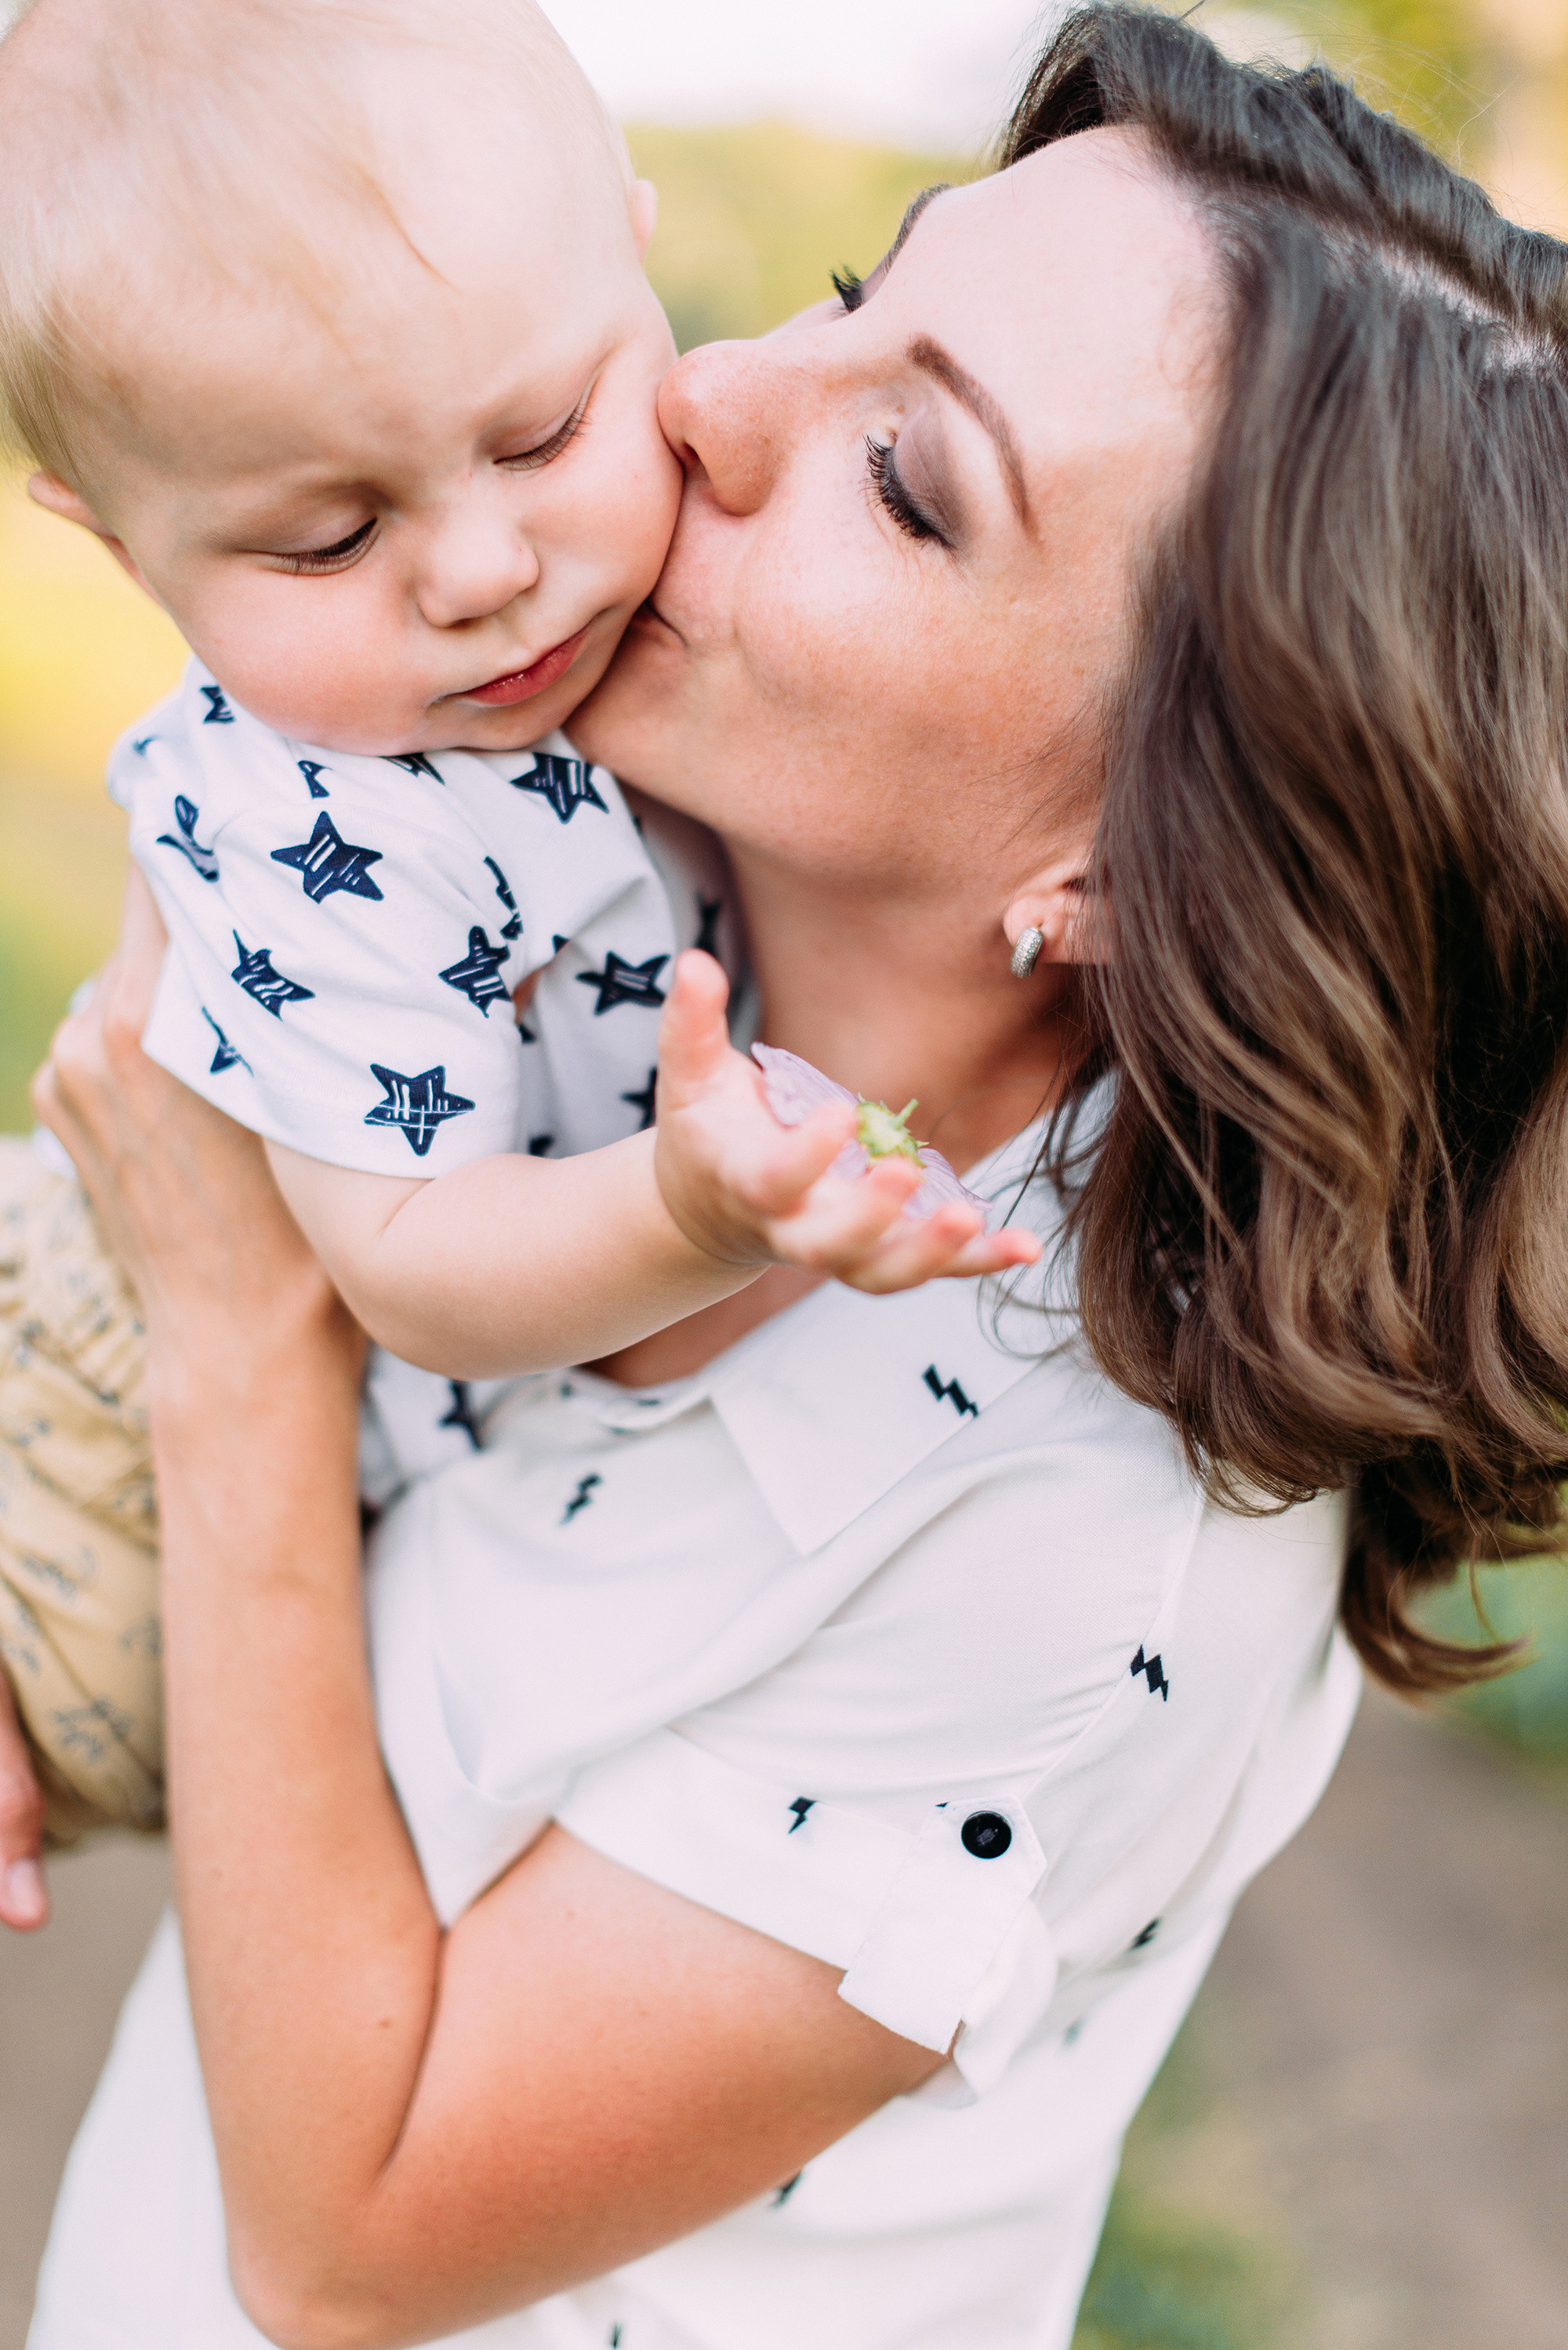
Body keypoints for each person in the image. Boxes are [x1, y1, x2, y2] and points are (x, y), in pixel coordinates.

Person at [13, 5, 1568, 2344]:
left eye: (908, 478)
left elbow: (347, 2238)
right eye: (854, 297)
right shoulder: (578, 860)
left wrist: (245, 1330)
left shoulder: (1082, 1536)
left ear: (1139, 863)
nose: (713, 398)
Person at [0, 0, 1030, 1849]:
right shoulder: (307, 818)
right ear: (119, 545)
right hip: (75, 1441)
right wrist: (682, 1209)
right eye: (321, 540)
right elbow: (409, 1261)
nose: (481, 573)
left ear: (636, 277)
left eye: (543, 430)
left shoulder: (637, 590)